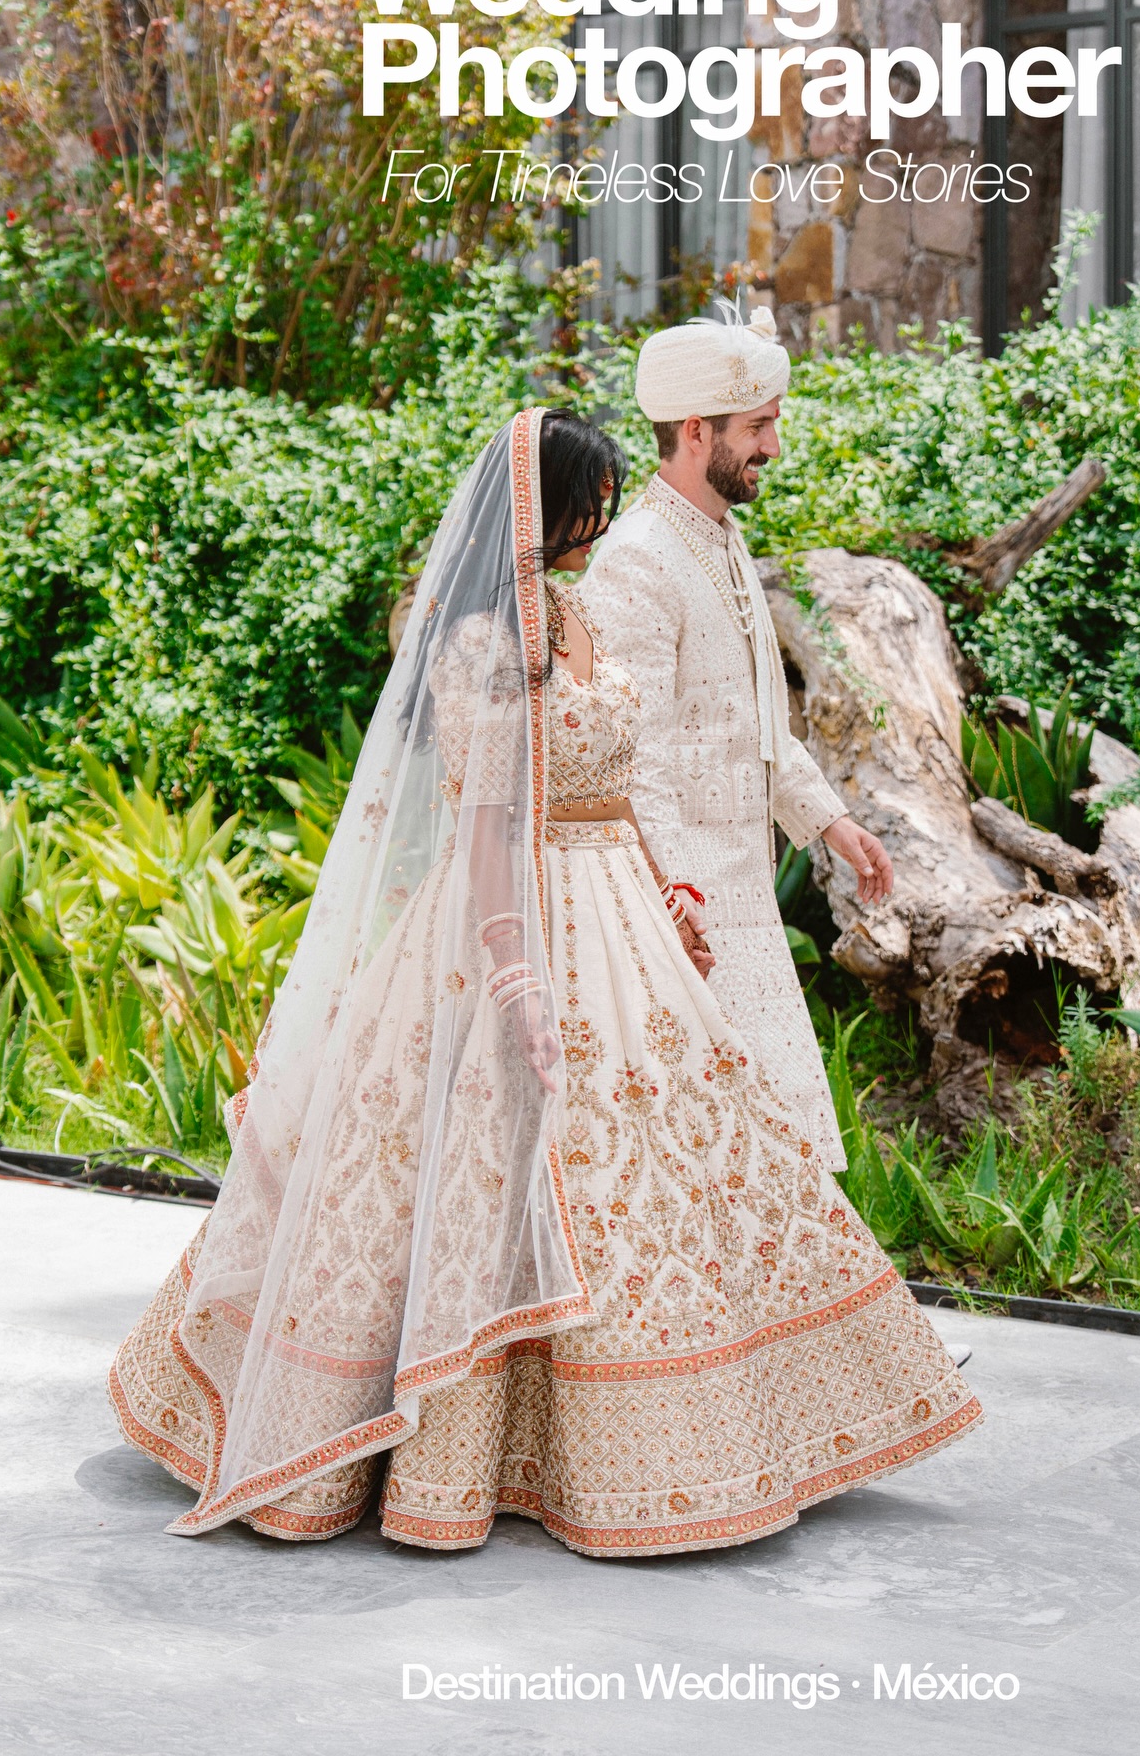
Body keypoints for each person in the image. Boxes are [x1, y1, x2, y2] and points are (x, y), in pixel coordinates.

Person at [109, 407, 980, 1556]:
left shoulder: (574, 612)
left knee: (671, 1152)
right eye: (590, 503)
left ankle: (720, 1429)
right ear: (543, 501)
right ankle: (434, 1441)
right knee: (485, 1162)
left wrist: (665, 884)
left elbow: (617, 773)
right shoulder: (481, 639)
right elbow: (481, 829)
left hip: (617, 900)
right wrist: (516, 980)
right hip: (508, 921)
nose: (602, 523)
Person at [579, 304, 887, 1172]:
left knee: (770, 1142)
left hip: (738, 889)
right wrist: (672, 910)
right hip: (686, 909)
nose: (774, 448)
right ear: (691, 430)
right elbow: (626, 759)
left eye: (773, 423)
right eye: (758, 426)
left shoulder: (718, 537)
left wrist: (829, 822)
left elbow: (748, 718)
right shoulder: (638, 557)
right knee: (714, 1151)